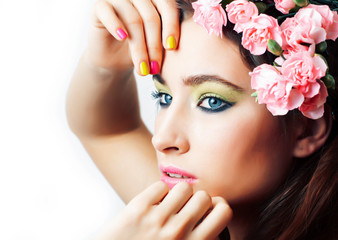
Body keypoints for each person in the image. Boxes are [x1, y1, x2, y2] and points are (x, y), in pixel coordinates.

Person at [66, 0, 338, 239]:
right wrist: (104, 65)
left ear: (307, 130)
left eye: (212, 102)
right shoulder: (187, 216)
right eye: (164, 97)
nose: (161, 139)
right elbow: (108, 130)